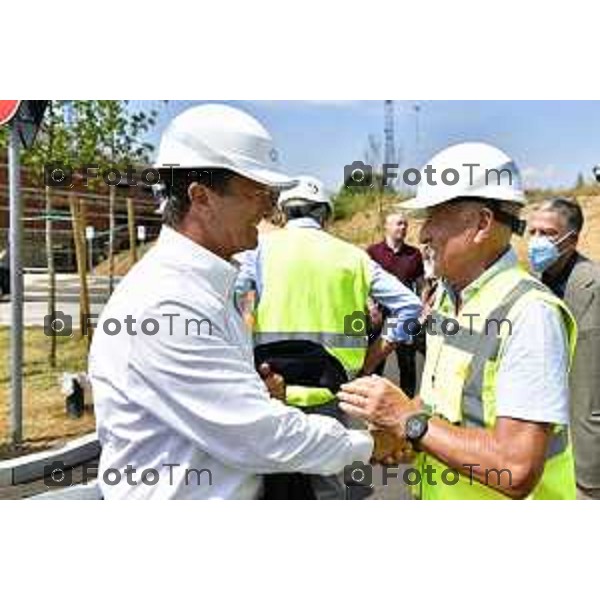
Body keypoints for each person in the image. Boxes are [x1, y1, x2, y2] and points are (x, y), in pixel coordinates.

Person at [88, 104, 404, 500]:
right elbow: (259, 435)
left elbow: (226, 413)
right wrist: (371, 444)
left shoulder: (208, 286)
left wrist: (253, 393)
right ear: (201, 197)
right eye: (257, 193)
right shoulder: (168, 304)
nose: (270, 209)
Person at [338, 141, 578, 500]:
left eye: (434, 217)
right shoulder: (450, 299)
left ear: (481, 223)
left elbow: (516, 468)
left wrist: (409, 421)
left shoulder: (530, 313)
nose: (423, 234)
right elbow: (441, 406)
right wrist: (398, 427)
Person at [235, 175, 422, 498]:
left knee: (270, 490)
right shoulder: (353, 257)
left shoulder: (258, 251)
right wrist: (372, 358)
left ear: (282, 213)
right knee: (328, 490)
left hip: (270, 394)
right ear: (326, 215)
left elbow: (228, 301)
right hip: (332, 398)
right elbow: (411, 308)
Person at [528, 198, 600, 500]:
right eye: (532, 232)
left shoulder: (594, 285)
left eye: (546, 233)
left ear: (571, 240)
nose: (536, 242)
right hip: (540, 451)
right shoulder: (532, 286)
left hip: (585, 461)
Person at [367, 212, 424, 396]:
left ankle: (407, 406)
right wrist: (370, 306)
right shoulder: (373, 252)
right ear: (387, 227)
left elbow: (421, 284)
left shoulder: (414, 254)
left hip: (404, 315)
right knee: (376, 363)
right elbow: (364, 283)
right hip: (379, 314)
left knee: (407, 362)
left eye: (405, 224)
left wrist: (422, 309)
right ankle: (371, 403)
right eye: (399, 224)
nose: (404, 228)